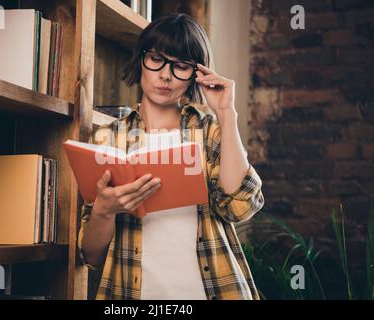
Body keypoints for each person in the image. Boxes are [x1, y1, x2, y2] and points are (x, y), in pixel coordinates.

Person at [78, 13, 265, 300]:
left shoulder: (210, 131)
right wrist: (104, 209)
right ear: (141, 59)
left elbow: (238, 207)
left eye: (181, 66)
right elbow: (91, 255)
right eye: (156, 59)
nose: (166, 75)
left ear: (196, 74)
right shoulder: (108, 140)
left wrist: (227, 114)